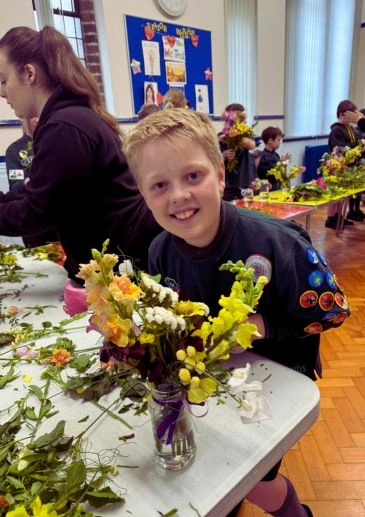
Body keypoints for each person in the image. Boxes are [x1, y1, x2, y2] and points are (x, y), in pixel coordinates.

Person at [123, 108, 351, 517]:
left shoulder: (278, 243)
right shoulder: (159, 252)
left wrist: (262, 324)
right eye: (159, 185)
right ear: (144, 195)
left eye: (193, 176)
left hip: (275, 382)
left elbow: (335, 311)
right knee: (210, 466)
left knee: (254, 475)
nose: (178, 195)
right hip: (209, 386)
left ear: (221, 175)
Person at [0, 25, 160, 282]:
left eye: (4, 80)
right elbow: (46, 196)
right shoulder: (68, 118)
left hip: (124, 269)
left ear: (29, 73)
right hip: (114, 264)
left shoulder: (64, 126)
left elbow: (39, 211)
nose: (2, 92)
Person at [5, 117, 58, 247]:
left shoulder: (56, 142)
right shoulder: (15, 150)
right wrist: (30, 181)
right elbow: (15, 188)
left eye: (39, 114)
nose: (37, 119)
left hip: (60, 218)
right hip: (34, 223)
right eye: (32, 115)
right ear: (23, 118)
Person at [325, 100, 364, 228]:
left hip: (349, 166)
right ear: (342, 114)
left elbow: (356, 142)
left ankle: (340, 216)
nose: (353, 118)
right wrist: (359, 144)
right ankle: (331, 218)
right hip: (337, 166)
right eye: (350, 115)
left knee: (343, 195)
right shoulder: (336, 130)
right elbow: (339, 147)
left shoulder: (350, 128)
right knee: (335, 194)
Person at [218, 103, 257, 201]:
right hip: (226, 181)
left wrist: (236, 135)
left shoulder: (246, 133)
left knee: (246, 207)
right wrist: (223, 155)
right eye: (228, 119)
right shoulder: (220, 135)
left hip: (243, 179)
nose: (229, 122)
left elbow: (252, 145)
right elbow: (212, 155)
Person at [257, 126, 291, 191]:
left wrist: (283, 164)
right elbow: (271, 174)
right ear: (270, 141)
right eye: (278, 140)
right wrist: (281, 164)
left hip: (277, 188)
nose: (279, 142)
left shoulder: (275, 154)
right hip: (268, 190)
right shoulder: (264, 157)